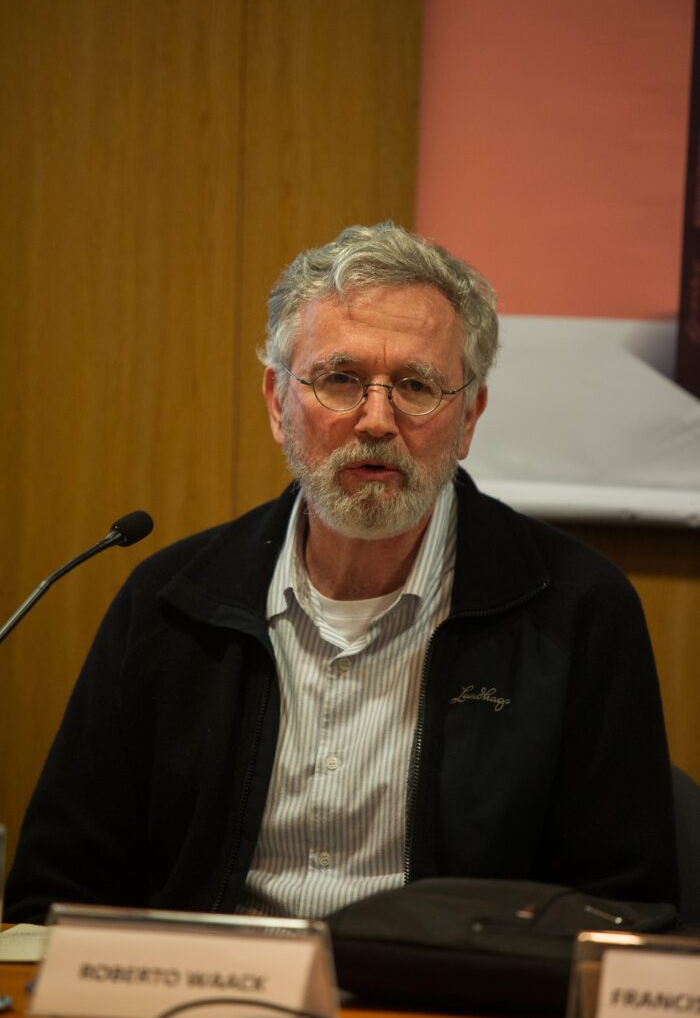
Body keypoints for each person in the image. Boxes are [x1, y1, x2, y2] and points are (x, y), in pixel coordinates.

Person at [5, 222, 678, 924]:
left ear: (470, 415)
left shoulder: (576, 611)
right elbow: (56, 894)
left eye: (416, 386)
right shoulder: (170, 602)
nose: (377, 419)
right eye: (340, 380)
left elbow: (622, 913)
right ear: (277, 402)